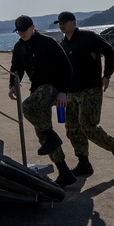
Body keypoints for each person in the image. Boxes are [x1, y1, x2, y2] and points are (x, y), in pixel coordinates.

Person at [54, 11, 114, 176]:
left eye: (64, 22)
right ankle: (84, 163)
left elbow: (110, 52)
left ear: (74, 22)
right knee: (72, 128)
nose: (61, 25)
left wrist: (107, 75)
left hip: (90, 89)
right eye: (59, 23)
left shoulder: (89, 38)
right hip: (71, 92)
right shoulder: (63, 44)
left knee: (88, 126)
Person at [9, 15, 76, 187]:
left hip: (53, 86)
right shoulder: (19, 47)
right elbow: (16, 68)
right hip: (38, 89)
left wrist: (63, 92)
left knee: (27, 107)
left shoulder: (48, 42)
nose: (22, 34)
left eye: (24, 30)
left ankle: (51, 137)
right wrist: (13, 85)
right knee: (43, 135)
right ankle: (64, 171)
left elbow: (67, 67)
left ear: (32, 27)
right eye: (19, 32)